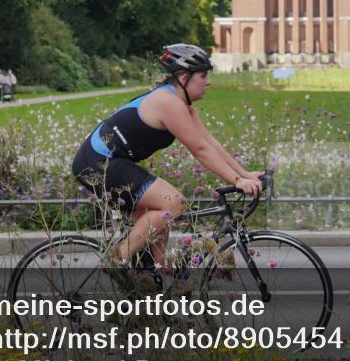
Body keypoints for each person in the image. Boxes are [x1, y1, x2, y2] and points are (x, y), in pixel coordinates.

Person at [71, 44, 263, 268]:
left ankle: (153, 284)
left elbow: (210, 144)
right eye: (202, 75)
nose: (207, 81)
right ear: (184, 77)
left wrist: (244, 174)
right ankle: (116, 259)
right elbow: (200, 151)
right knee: (174, 203)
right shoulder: (167, 102)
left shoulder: (183, 106)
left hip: (113, 162)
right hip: (98, 163)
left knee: (160, 224)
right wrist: (238, 181)